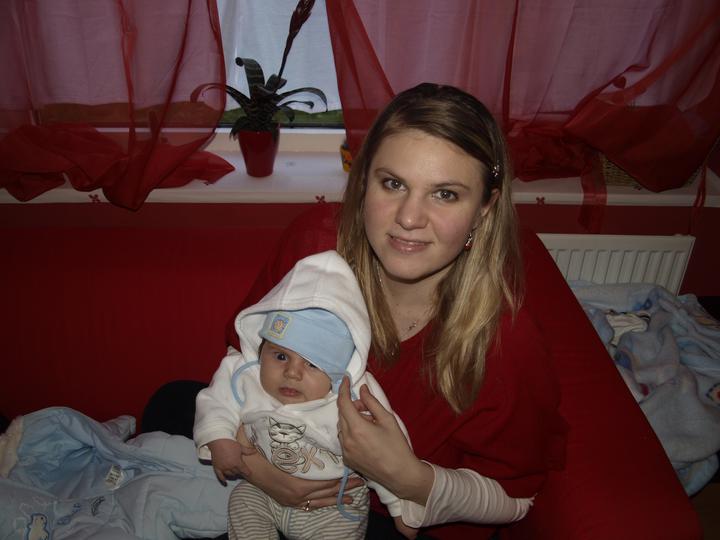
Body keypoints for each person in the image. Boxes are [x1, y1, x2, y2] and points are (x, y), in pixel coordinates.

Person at [224, 82, 568, 539]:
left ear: (484, 208)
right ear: (363, 180)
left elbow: (517, 495)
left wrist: (406, 476)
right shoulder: (312, 251)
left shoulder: (504, 343)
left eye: (445, 194)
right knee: (171, 402)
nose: (409, 218)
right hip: (269, 469)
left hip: (394, 520)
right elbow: (242, 360)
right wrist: (258, 470)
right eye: (393, 183)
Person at [194, 249, 532, 540]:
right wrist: (221, 440)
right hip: (262, 492)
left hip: (333, 507)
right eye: (280, 356)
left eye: (313, 364)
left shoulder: (348, 404)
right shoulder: (247, 376)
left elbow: (386, 460)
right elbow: (215, 402)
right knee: (242, 501)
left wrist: (401, 508)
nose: (292, 373)